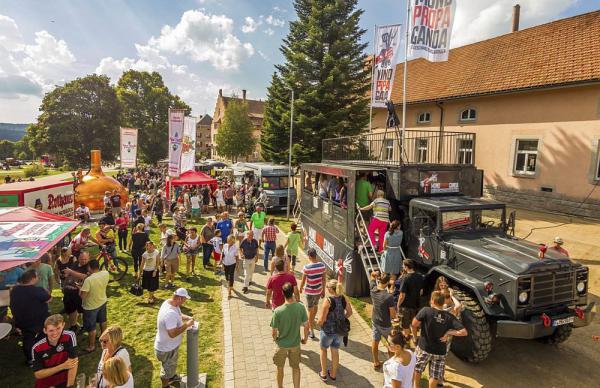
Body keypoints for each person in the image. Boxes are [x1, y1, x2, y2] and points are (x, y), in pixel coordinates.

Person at [412, 291, 468, 388]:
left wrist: (416, 336)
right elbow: (464, 332)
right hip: (440, 351)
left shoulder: (425, 311)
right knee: (434, 375)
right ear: (443, 303)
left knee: (417, 369)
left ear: (432, 301)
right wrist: (448, 333)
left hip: (424, 348)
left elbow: (414, 324)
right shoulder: (449, 317)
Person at [271, 282, 309, 388]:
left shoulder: (278, 311)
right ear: (293, 292)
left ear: (283, 293)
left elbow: (274, 331)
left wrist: (275, 339)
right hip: (295, 344)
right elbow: (306, 326)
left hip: (281, 345)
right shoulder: (300, 307)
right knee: (296, 368)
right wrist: (305, 339)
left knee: (280, 368)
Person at [154, 288, 195, 388]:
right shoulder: (170, 314)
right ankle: (165, 385)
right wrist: (186, 325)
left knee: (170, 367)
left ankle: (171, 377)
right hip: (167, 349)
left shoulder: (169, 303)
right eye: (185, 299)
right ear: (180, 298)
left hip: (167, 346)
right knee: (166, 369)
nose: (185, 302)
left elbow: (179, 315)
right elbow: (172, 334)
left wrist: (188, 318)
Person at [10, 269, 50, 365]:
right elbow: (49, 299)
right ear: (33, 278)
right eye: (37, 276)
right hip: (38, 321)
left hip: (22, 320)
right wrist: (45, 291)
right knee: (42, 338)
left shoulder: (15, 289)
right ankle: (42, 356)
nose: (38, 278)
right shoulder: (37, 290)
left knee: (27, 339)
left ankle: (30, 360)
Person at [316, 279, 353, 382]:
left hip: (327, 331)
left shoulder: (328, 301)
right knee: (335, 350)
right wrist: (342, 319)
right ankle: (333, 374)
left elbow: (321, 319)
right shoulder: (344, 298)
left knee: (323, 350)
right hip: (339, 331)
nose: (326, 288)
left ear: (331, 289)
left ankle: (323, 374)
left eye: (327, 287)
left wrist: (318, 324)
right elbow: (349, 312)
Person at [32, 314, 78, 388]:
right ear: (45, 330)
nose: (55, 333)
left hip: (65, 381)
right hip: (46, 384)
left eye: (58, 328)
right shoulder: (37, 348)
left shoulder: (70, 336)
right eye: (51, 330)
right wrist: (62, 366)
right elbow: (38, 374)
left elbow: (73, 363)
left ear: (63, 325)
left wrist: (69, 386)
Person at [80, 259, 109, 353]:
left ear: (89, 267)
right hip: (102, 301)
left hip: (91, 306)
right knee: (103, 321)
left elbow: (83, 296)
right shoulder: (105, 273)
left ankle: (91, 346)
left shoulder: (88, 280)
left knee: (91, 328)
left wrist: (80, 289)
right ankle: (105, 339)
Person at [370, 271, 397, 370]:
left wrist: (375, 274)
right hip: (385, 324)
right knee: (391, 343)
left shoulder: (373, 289)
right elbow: (393, 314)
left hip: (375, 321)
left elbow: (372, 276)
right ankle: (391, 364)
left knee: (375, 341)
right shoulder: (388, 297)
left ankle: (376, 361)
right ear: (387, 282)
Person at [299, 248, 327, 339]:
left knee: (310, 312)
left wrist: (300, 288)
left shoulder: (306, 267)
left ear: (309, 256)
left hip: (310, 293)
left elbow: (303, 280)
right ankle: (313, 319)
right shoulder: (322, 266)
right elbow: (324, 279)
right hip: (318, 291)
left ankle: (311, 331)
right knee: (315, 306)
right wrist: (323, 290)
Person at [397, 259, 424, 337]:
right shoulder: (420, 276)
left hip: (406, 306)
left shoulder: (405, 278)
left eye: (403, 266)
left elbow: (402, 295)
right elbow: (421, 292)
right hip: (416, 305)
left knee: (405, 326)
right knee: (413, 324)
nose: (402, 267)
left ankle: (407, 341)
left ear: (406, 267)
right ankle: (415, 338)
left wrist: (398, 305)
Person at [222, 235, 239, 300]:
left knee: (230, 276)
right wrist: (222, 262)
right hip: (225, 263)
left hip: (232, 264)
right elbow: (223, 254)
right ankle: (230, 286)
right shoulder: (225, 245)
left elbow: (237, 257)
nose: (228, 241)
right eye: (228, 240)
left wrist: (237, 265)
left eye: (230, 240)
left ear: (233, 240)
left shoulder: (235, 248)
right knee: (226, 277)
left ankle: (229, 291)